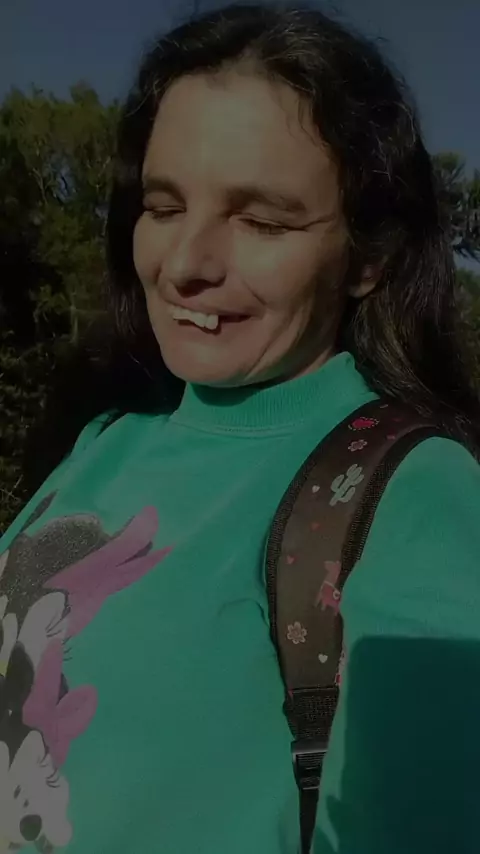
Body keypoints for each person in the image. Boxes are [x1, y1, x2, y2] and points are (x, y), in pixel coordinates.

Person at [1, 3, 480, 852]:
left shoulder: (409, 494)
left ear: (368, 256)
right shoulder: (101, 441)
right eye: (163, 206)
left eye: (261, 221)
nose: (186, 265)